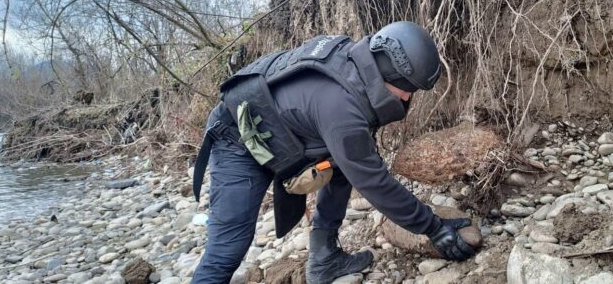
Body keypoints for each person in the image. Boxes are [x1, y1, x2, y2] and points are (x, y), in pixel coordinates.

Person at [190, 21, 477, 284]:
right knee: (229, 247)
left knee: (343, 165)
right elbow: (375, 183)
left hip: (275, 127)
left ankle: (324, 259)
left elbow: (357, 157)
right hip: (236, 139)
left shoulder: (355, 67)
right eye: (407, 89)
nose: (407, 97)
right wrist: (434, 227)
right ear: (390, 73)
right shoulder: (342, 109)